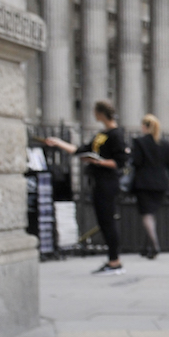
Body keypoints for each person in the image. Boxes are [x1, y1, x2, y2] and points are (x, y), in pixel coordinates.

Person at [43, 100, 129, 274]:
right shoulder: (101, 134)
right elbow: (80, 150)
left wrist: (98, 161)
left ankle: (115, 261)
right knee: (103, 221)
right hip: (97, 180)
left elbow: (120, 162)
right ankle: (112, 260)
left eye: (95, 111)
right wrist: (59, 143)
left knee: (108, 221)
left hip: (108, 181)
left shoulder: (116, 135)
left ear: (101, 113)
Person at [129, 114, 169, 260]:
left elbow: (136, 162)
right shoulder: (165, 144)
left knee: (147, 215)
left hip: (144, 183)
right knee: (152, 214)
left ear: (145, 126)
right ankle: (147, 247)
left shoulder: (139, 142)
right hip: (160, 184)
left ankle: (154, 245)